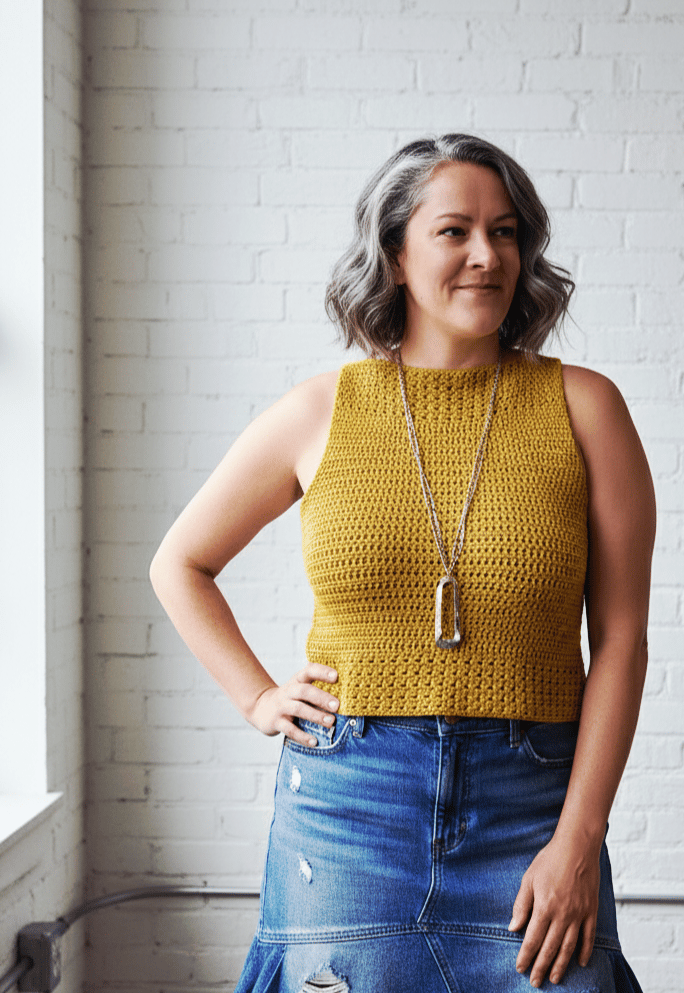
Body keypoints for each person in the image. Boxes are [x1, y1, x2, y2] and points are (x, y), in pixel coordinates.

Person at [150, 133, 655, 993]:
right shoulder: (320, 411)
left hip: (532, 803)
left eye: (505, 232)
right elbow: (181, 562)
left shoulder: (585, 407)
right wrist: (258, 696)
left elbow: (621, 640)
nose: (487, 256)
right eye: (455, 230)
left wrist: (579, 837)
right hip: (350, 805)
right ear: (394, 254)